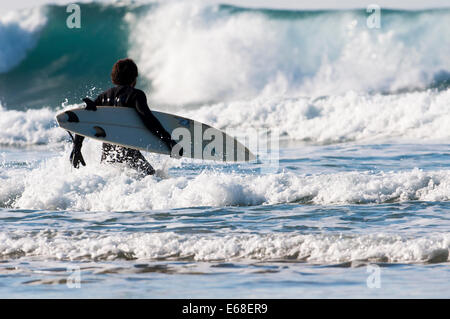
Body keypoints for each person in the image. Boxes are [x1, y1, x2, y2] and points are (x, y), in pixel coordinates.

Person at [69, 58, 179, 176]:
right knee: (153, 178)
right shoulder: (136, 95)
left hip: (108, 152)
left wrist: (77, 147)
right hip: (128, 151)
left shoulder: (103, 96)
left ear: (114, 77)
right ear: (134, 77)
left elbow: (85, 119)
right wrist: (168, 140)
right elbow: (147, 119)